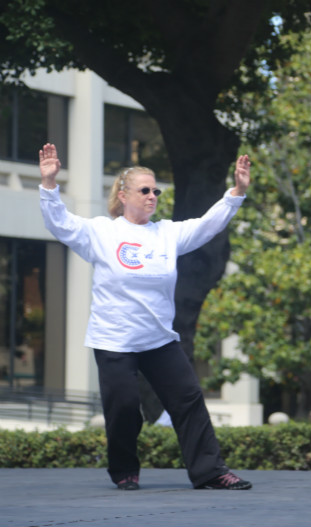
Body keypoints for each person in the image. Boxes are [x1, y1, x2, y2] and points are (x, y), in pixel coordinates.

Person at [38, 143, 252, 492]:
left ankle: (211, 472)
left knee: (189, 400)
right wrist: (49, 185)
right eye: (145, 190)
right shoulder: (100, 232)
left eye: (156, 190)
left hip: (159, 340)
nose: (153, 196)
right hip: (114, 340)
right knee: (123, 408)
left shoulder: (166, 234)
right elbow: (60, 224)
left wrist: (236, 193)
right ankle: (124, 471)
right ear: (123, 195)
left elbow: (206, 225)